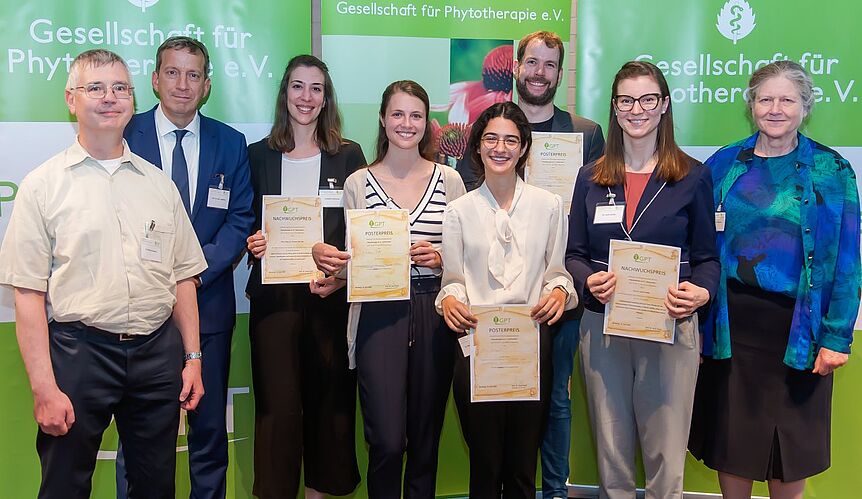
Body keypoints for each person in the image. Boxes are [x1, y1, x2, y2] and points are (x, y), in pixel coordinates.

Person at [0, 49, 207, 498]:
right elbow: (28, 294)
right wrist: (43, 389)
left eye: (120, 88)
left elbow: (183, 278)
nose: (109, 97)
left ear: (133, 99)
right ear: (71, 100)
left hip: (157, 355)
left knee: (155, 487)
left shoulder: (159, 183)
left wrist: (192, 358)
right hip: (80, 354)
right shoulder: (42, 185)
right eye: (95, 88)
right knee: (64, 485)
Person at [689, 60, 860, 499]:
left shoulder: (833, 171)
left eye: (788, 100)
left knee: (791, 446)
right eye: (766, 99)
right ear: (751, 106)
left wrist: (837, 337)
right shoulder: (724, 164)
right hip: (730, 325)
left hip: (799, 330)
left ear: (806, 107)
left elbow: (847, 259)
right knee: (733, 441)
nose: (776, 109)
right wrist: (697, 329)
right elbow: (699, 246)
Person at [455, 33, 604, 497]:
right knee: (487, 443)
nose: (540, 71)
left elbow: (576, 242)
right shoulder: (463, 198)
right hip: (482, 328)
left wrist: (563, 287)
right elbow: (455, 264)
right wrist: (451, 296)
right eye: (532, 62)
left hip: (542, 319)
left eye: (550, 64)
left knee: (540, 428)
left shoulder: (577, 150)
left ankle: (554, 490)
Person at [566, 60, 719, 499]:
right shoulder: (591, 178)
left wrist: (702, 290)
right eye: (627, 100)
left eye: (648, 99)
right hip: (603, 327)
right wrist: (587, 281)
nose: (638, 109)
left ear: (664, 105)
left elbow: (708, 259)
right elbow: (574, 255)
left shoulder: (692, 177)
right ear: (614, 109)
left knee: (666, 461)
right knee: (612, 458)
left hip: (670, 328)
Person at [310, 80, 465, 499]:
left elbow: (468, 258)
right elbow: (356, 258)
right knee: (387, 440)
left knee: (425, 438)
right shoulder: (358, 183)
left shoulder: (450, 181)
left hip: (434, 311)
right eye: (397, 114)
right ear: (382, 119)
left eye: (416, 115)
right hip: (377, 314)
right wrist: (334, 271)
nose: (406, 124)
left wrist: (443, 259)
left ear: (428, 124)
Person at [115, 35, 254, 499]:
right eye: (172, 72)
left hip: (209, 306)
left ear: (207, 85)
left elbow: (239, 219)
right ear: (154, 79)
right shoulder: (122, 135)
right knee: (139, 441)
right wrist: (166, 276)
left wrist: (193, 271)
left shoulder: (230, 144)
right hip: (140, 314)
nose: (182, 83)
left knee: (209, 433)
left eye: (193, 74)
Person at [438, 101, 577, 498]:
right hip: (476, 346)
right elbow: (453, 281)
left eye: (511, 140)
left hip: (531, 345)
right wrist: (449, 300)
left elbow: (558, 273)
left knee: (521, 466)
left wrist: (557, 291)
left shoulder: (549, 206)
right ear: (478, 147)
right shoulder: (458, 211)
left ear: (524, 148)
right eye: (491, 139)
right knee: (484, 464)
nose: (501, 148)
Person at [244, 55, 365, 499]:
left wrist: (345, 272)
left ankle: (323, 491)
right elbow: (244, 221)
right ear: (284, 93)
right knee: (276, 408)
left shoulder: (348, 154)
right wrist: (251, 242)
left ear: (327, 98)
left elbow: (361, 227)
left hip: (329, 298)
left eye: (317, 89)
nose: (307, 98)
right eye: (298, 86)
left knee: (330, 404)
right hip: (274, 303)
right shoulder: (257, 154)